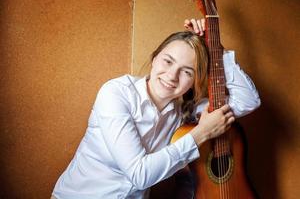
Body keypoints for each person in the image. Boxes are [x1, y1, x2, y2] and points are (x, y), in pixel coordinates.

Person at [51, 19, 261, 199]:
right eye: (167, 61)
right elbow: (139, 174)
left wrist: (216, 48)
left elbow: (248, 100)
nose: (172, 76)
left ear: (194, 81)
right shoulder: (116, 93)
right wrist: (201, 133)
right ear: (154, 59)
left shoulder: (184, 112)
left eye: (187, 72)